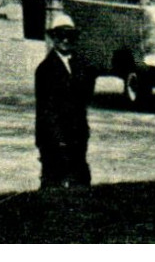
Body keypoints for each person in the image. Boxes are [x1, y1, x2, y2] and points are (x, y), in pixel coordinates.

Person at [35, 14, 93, 189]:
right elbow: (46, 110)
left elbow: (85, 96)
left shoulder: (79, 64)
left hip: (77, 135)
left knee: (81, 182)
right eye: (61, 35)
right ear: (53, 38)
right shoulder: (45, 69)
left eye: (71, 36)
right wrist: (58, 139)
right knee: (53, 182)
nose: (66, 40)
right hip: (54, 138)